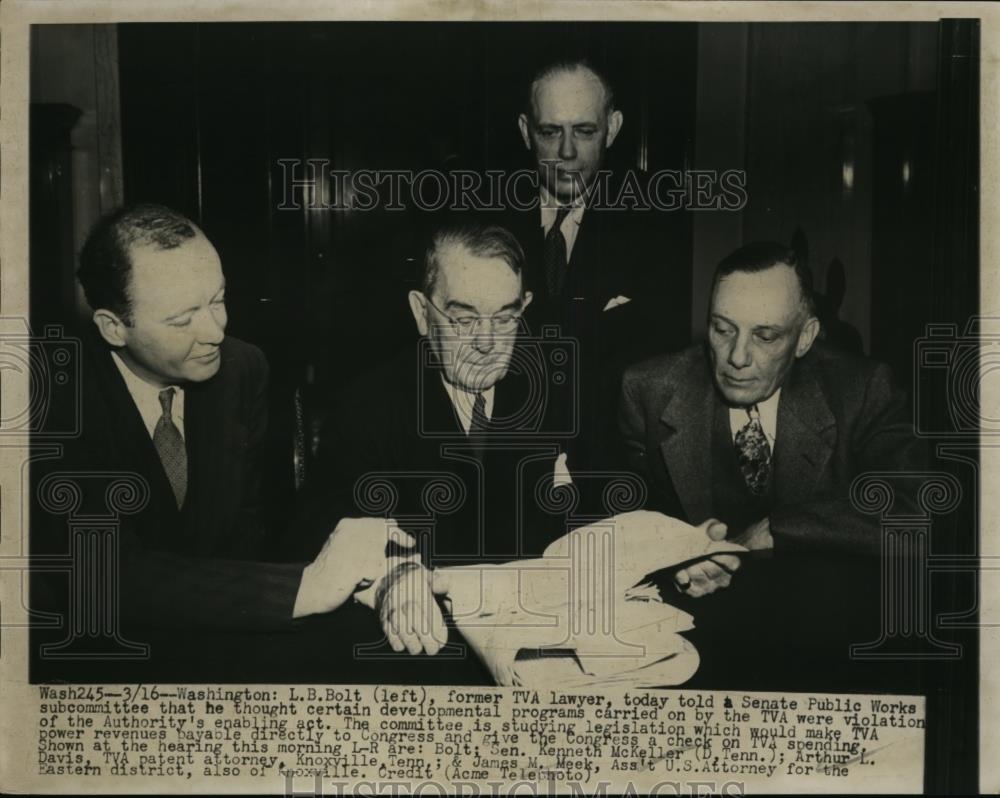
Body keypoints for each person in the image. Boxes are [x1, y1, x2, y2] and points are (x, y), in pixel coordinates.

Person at [31, 203, 423, 679]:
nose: (216, 331)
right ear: (114, 327)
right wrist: (309, 584)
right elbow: (106, 579)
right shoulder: (51, 399)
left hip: (217, 627)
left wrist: (367, 576)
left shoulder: (242, 369)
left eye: (217, 300)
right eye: (183, 320)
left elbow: (245, 531)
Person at [617, 241, 926, 689]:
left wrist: (777, 528)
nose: (738, 358)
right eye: (722, 330)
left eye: (766, 336)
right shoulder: (647, 390)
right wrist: (674, 562)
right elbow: (619, 530)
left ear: (805, 337)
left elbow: (921, 514)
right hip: (688, 657)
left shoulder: (861, 391)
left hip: (823, 658)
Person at [291, 221, 573, 663]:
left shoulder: (556, 394)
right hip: (419, 643)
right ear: (422, 314)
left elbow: (596, 510)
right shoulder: (369, 405)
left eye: (505, 317)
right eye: (463, 319)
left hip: (540, 636)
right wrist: (390, 577)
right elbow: (322, 524)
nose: (486, 342)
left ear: (526, 306)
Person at [507, 57, 688, 474]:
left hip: (609, 464)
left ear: (614, 127)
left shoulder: (654, 217)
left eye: (585, 131)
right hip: (505, 457)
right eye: (550, 132)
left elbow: (658, 370)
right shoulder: (483, 215)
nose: (567, 152)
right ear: (525, 132)